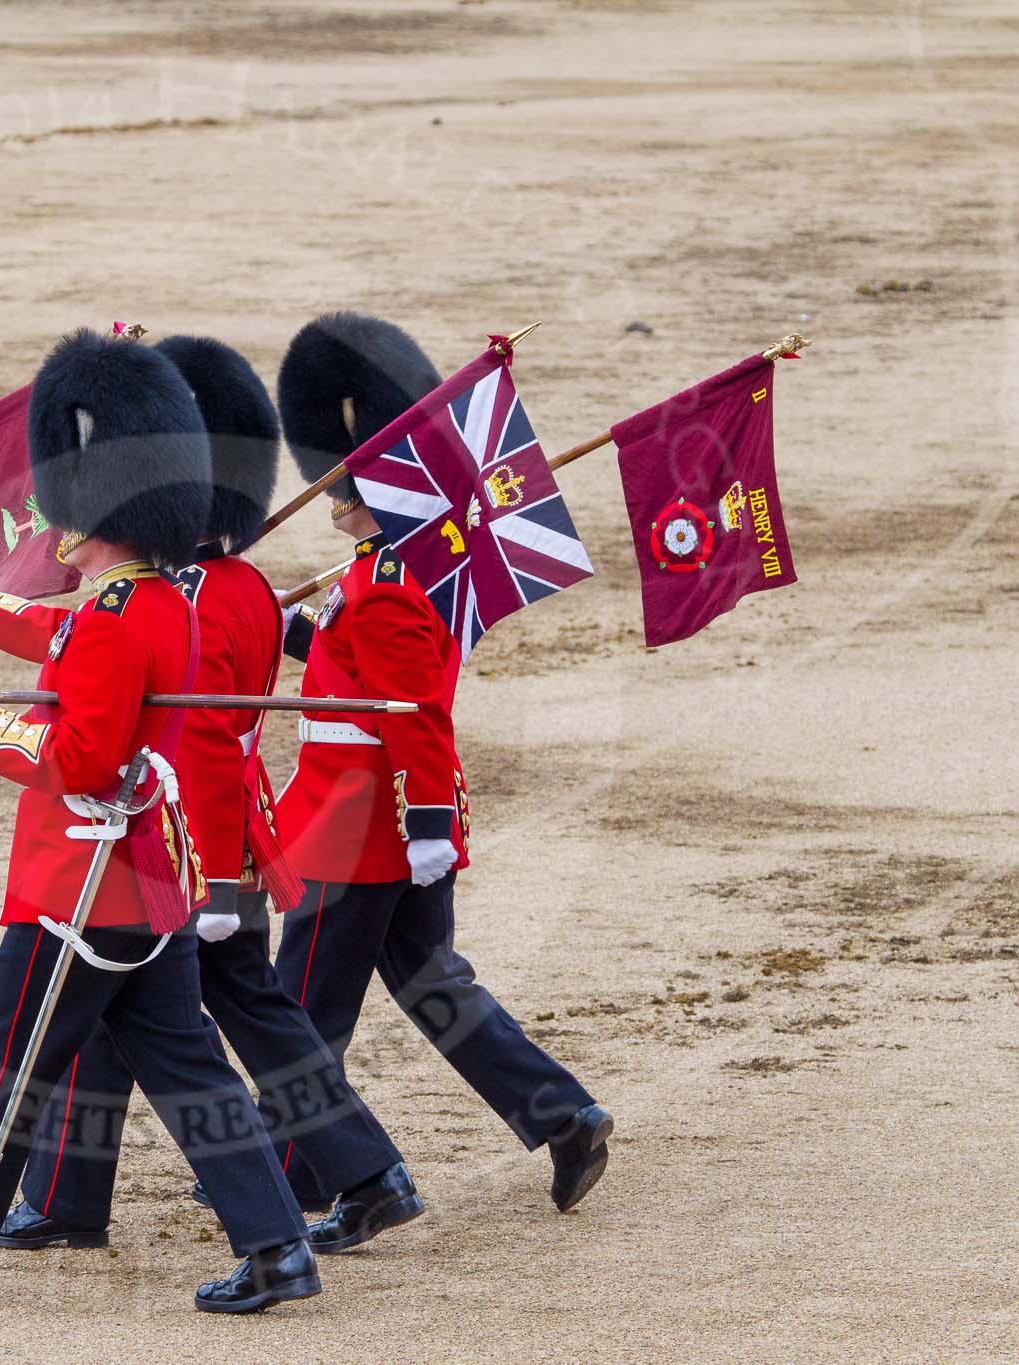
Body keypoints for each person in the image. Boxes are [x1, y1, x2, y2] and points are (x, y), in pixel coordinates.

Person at [0, 328, 319, 1313]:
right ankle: (277, 1246)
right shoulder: (157, 604)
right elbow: (61, 635)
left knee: (2, 1076)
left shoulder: (109, 619)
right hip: (154, 884)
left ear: (93, 513)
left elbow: (79, 762)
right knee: (193, 1078)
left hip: (80, 893)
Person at [0, 334, 420, 1256]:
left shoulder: (191, 594)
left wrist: (211, 885)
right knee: (179, 1022)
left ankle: (351, 1174)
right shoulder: (240, 586)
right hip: (202, 844)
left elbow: (199, 749)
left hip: (189, 853)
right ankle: (75, 1190)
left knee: (184, 1015)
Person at [269, 311, 613, 1214]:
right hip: (387, 819)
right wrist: (290, 628)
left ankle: (306, 1169)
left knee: (301, 1009)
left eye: (344, 482)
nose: (333, 496)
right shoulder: (389, 568)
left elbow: (412, 711)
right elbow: (356, 669)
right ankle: (564, 1114)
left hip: (360, 825)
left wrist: (422, 824)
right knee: (430, 985)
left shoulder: (390, 581)